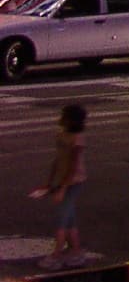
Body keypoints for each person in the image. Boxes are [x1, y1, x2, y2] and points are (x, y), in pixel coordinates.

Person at [30, 102, 86, 268]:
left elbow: (74, 166)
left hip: (74, 182)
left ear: (72, 121)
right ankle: (76, 251)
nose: (61, 119)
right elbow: (58, 160)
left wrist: (62, 189)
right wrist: (49, 182)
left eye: (65, 117)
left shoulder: (78, 139)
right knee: (69, 219)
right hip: (62, 181)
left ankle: (57, 255)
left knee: (62, 220)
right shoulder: (61, 135)